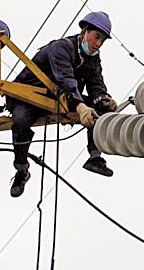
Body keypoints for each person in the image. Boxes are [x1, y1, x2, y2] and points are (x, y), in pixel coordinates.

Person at [7, 12, 119, 198]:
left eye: (103, 40)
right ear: (84, 31)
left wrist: (103, 99)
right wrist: (80, 106)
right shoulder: (61, 48)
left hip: (59, 99)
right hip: (30, 97)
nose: (98, 43)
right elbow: (65, 79)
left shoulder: (92, 59)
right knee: (20, 121)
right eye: (96, 37)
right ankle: (21, 170)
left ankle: (95, 157)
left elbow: (95, 83)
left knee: (99, 108)